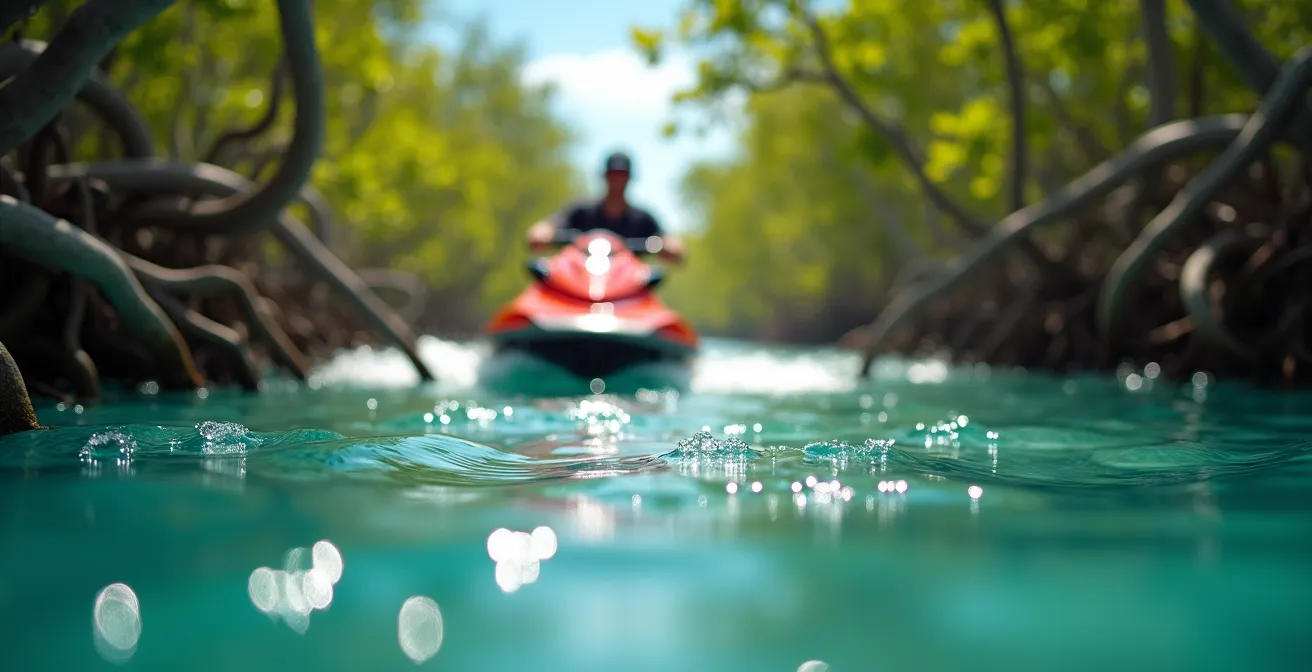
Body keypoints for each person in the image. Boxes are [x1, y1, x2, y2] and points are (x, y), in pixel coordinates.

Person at [526, 151, 685, 262]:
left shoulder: (643, 219)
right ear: (605, 177)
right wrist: (542, 232)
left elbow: (670, 242)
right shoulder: (581, 211)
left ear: (630, 179)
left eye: (622, 176)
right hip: (578, 285)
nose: (617, 181)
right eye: (613, 175)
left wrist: (671, 247)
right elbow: (550, 225)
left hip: (627, 290)